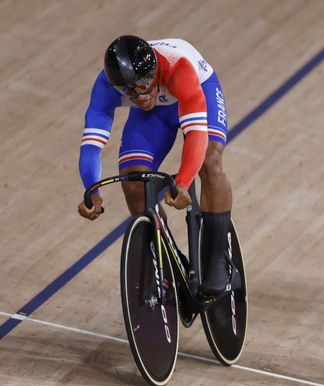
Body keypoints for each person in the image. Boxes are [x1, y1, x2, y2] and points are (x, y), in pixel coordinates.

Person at [76, 35, 235, 296]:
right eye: (129, 91)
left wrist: (183, 182)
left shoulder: (178, 68)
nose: (138, 95)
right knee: (133, 182)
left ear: (154, 71)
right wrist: (91, 189)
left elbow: (196, 134)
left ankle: (218, 259)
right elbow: (92, 143)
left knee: (209, 162)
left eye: (143, 85)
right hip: (155, 115)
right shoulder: (107, 85)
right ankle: (169, 265)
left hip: (197, 90)